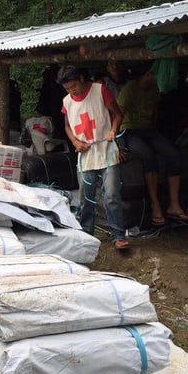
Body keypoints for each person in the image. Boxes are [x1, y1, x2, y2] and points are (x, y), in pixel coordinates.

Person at [57, 65, 129, 249]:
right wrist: (75, 142)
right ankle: (86, 234)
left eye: (73, 86)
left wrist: (113, 130)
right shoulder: (67, 101)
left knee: (112, 194)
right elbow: (67, 126)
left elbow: (118, 114)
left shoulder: (100, 90)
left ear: (82, 78)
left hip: (107, 151)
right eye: (67, 88)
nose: (72, 91)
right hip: (85, 155)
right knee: (85, 198)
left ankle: (118, 235)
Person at [117, 63, 188, 226]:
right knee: (147, 156)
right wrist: (118, 143)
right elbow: (117, 116)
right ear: (147, 75)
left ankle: (174, 205)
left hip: (148, 130)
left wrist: (154, 135)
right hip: (129, 130)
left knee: (174, 154)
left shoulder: (154, 89)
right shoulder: (129, 89)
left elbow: (155, 113)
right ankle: (155, 204)